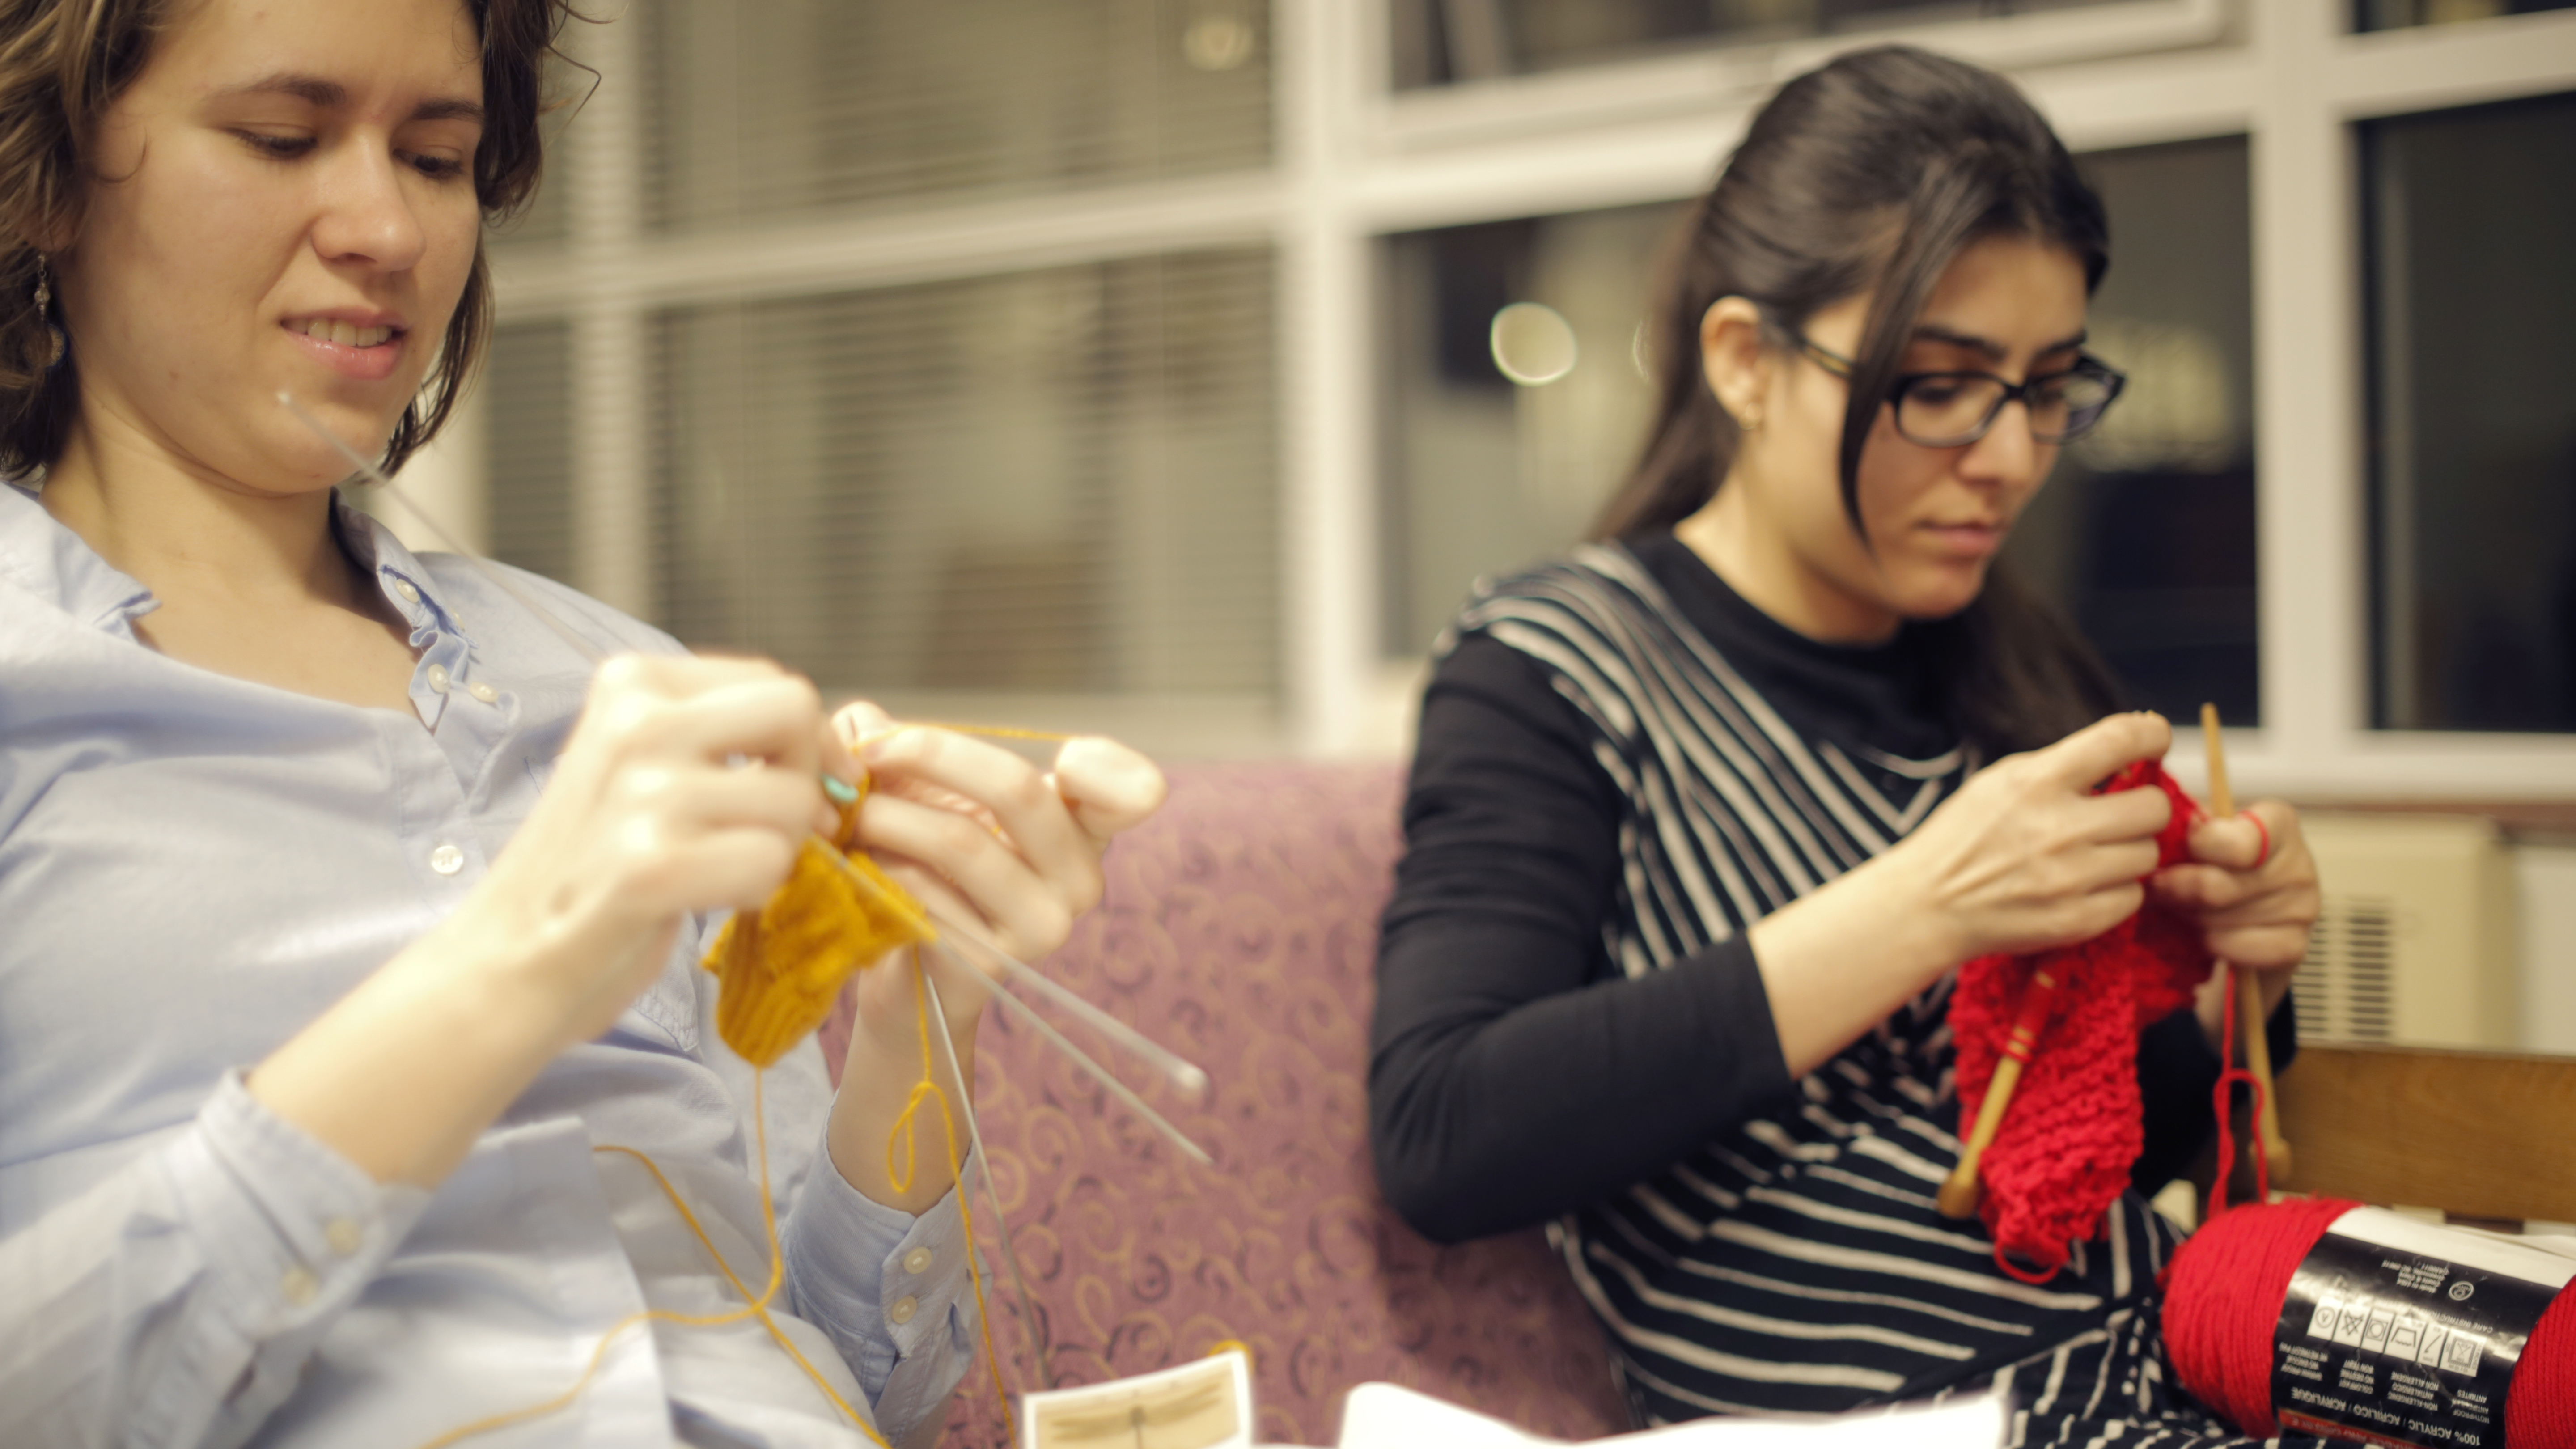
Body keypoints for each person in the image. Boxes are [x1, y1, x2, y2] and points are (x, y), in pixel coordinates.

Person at [0, 0, 1163, 1445]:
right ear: (42, 176)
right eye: (283, 138)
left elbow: (873, 1380)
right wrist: (511, 971)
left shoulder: (611, 677)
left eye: (435, 158)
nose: (386, 228)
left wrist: (917, 1009)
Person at [1369, 45, 2323, 1443]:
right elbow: (1444, 1131)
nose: (2007, 457)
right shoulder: (1559, 665)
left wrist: (2245, 972)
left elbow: (2145, 1149)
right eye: (1940, 384)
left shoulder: (2012, 669)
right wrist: (1927, 906)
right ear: (1747, 362)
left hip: (2157, 1368)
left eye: (2049, 386)